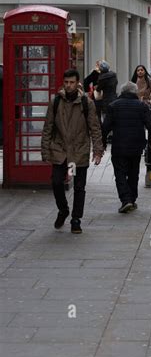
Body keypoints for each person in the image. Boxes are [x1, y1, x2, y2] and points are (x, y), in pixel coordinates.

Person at [41, 69, 103, 234]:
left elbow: (95, 128)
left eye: (72, 82)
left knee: (79, 187)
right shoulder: (55, 102)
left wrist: (98, 150)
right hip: (60, 150)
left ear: (77, 83)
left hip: (79, 149)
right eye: (66, 82)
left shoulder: (86, 102)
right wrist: (45, 151)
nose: (68, 86)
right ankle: (63, 210)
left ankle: (76, 219)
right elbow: (48, 128)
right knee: (56, 182)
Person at [102, 81, 151, 213]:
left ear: (122, 92)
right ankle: (132, 199)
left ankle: (126, 200)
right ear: (135, 92)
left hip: (119, 145)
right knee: (133, 172)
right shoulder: (141, 106)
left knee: (120, 173)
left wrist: (102, 143)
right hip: (136, 145)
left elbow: (105, 127)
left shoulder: (113, 106)